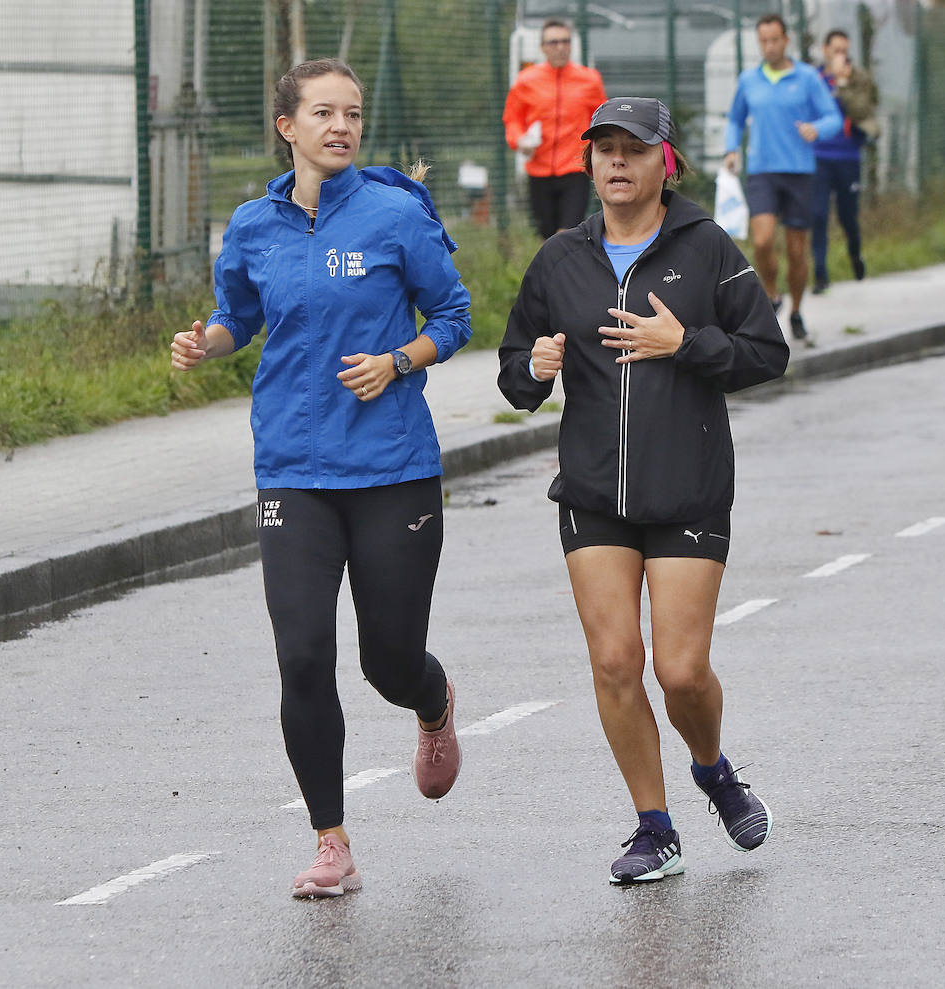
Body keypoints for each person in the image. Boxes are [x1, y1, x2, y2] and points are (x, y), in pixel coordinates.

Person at [169, 58, 472, 900]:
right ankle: (331, 841)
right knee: (302, 655)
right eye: (324, 113)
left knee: (386, 660)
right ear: (287, 127)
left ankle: (432, 694)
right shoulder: (253, 224)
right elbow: (238, 314)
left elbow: (454, 315)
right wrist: (208, 343)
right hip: (293, 471)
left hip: (391, 470)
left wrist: (400, 360)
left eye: (353, 114)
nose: (341, 126)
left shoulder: (393, 215)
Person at [498, 97, 789, 884]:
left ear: (667, 161)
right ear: (588, 164)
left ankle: (713, 769)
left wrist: (684, 343)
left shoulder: (706, 248)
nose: (617, 162)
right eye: (605, 150)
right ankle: (653, 826)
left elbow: (768, 352)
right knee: (616, 660)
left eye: (634, 148)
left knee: (682, 672)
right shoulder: (561, 258)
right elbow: (514, 366)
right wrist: (533, 371)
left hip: (689, 486)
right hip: (593, 490)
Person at [723, 13, 842, 345]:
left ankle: (797, 311)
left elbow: (833, 116)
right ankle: (772, 294)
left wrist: (816, 129)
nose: (770, 46)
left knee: (796, 251)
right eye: (764, 41)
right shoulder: (749, 80)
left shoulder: (806, 78)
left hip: (800, 173)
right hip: (762, 171)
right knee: (761, 241)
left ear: (786, 40)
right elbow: (735, 119)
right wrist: (731, 149)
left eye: (775, 39)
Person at [503, 18, 607, 239]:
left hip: (575, 169)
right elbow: (512, 119)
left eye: (565, 41)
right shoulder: (526, 80)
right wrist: (519, 140)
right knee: (547, 238)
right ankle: (557, 273)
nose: (560, 47)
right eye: (553, 42)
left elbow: (601, 121)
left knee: (565, 234)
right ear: (542, 47)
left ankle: (569, 272)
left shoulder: (589, 80)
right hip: (538, 171)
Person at [811, 29, 879, 294]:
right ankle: (820, 273)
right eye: (836, 50)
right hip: (819, 155)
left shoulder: (857, 78)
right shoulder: (814, 78)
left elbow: (864, 110)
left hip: (848, 155)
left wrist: (842, 84)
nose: (841, 55)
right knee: (818, 214)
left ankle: (855, 254)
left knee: (847, 215)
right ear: (825, 50)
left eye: (844, 51)